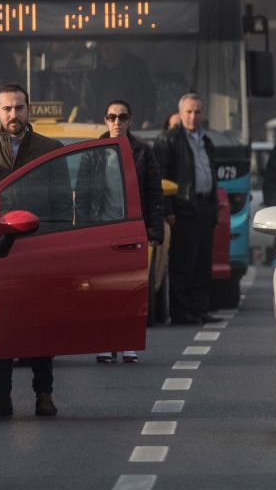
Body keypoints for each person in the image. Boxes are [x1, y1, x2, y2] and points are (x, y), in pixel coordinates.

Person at [0, 83, 63, 418]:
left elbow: (61, 203)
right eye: (6, 108)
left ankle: (44, 394)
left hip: (37, 247)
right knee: (1, 324)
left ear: (28, 109)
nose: (13, 114)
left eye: (19, 107)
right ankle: (0, 397)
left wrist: (58, 244)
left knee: (40, 325)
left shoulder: (50, 148)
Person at [76, 100, 164, 363]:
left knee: (130, 288)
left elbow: (154, 192)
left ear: (130, 121)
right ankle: (105, 342)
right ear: (105, 120)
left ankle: (127, 342)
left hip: (132, 229)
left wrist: (154, 230)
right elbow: (81, 193)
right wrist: (82, 229)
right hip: (101, 228)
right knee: (103, 288)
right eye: (112, 117)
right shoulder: (94, 151)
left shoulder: (143, 152)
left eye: (122, 117)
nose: (117, 122)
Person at [153, 93, 222, 325]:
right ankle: (182, 312)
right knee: (184, 263)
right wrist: (169, 209)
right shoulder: (168, 140)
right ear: (180, 114)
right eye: (189, 112)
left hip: (204, 207)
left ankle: (200, 308)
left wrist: (213, 208)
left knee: (203, 263)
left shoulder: (206, 141)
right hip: (183, 209)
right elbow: (161, 178)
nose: (193, 116)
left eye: (197, 112)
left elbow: (210, 175)